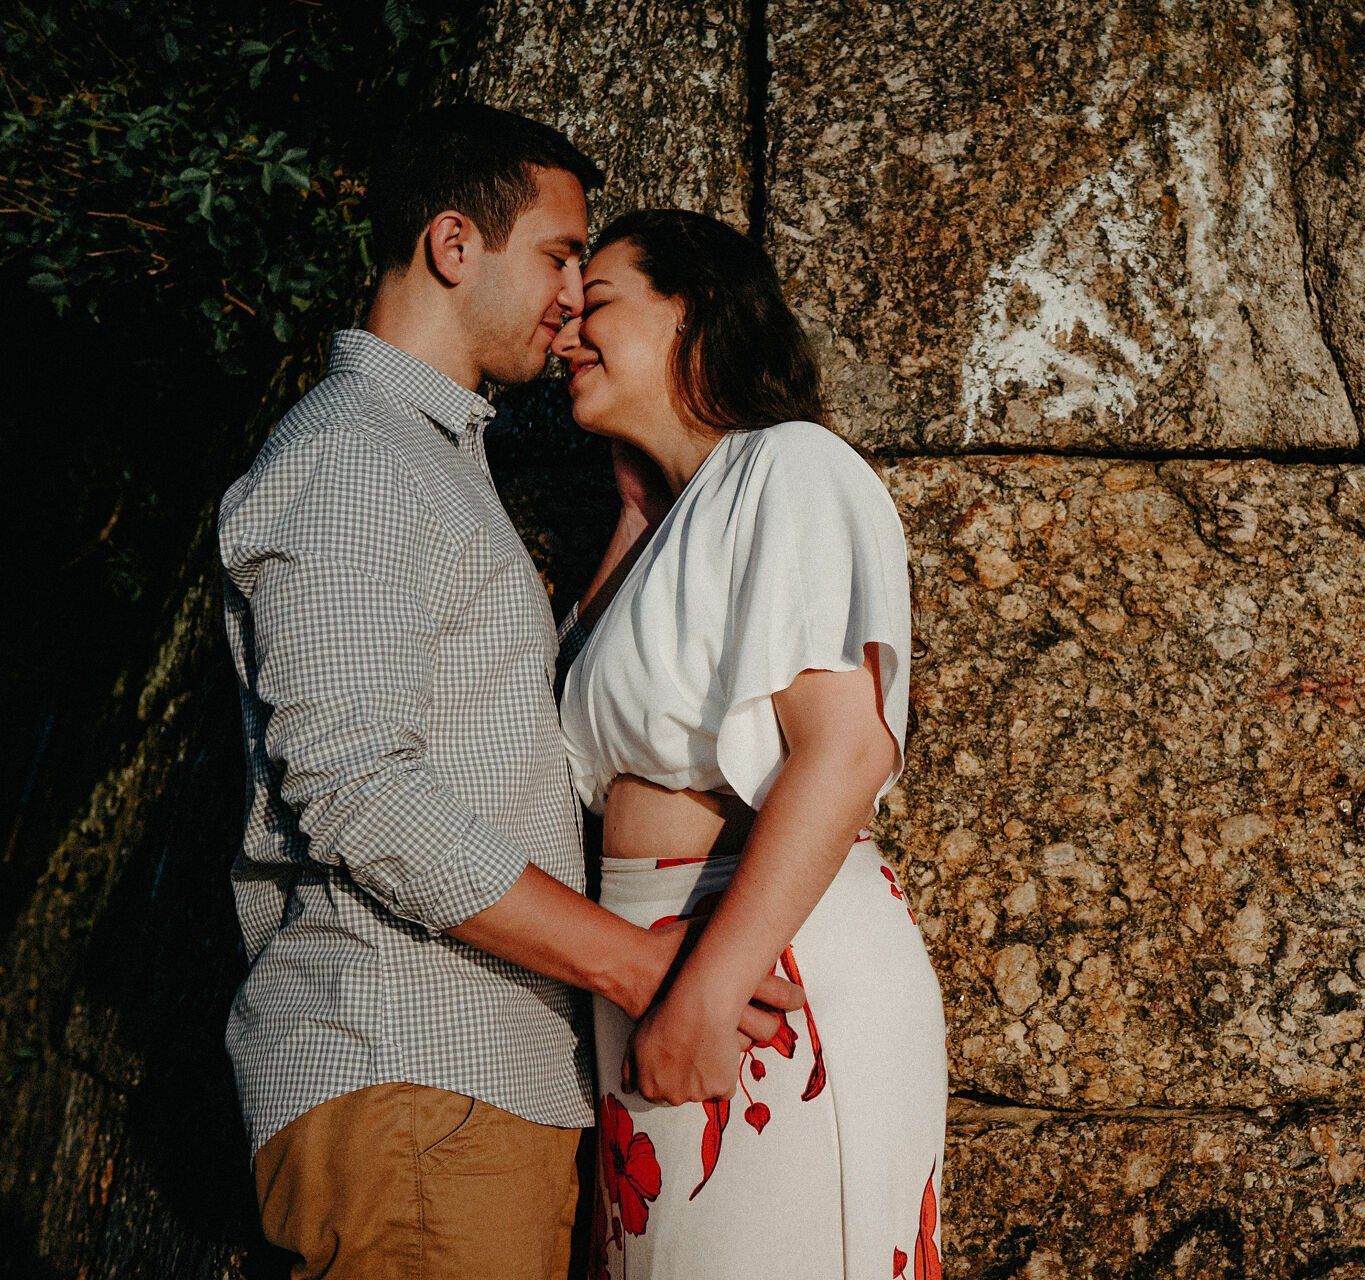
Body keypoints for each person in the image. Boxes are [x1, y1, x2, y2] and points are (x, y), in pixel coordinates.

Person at [217, 107, 801, 1280]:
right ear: (451, 244)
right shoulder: (353, 453)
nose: (576, 293)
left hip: (474, 1086)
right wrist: (637, 967)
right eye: (559, 254)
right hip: (413, 1072)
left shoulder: (431, 456)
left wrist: (639, 520)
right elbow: (359, 791)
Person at [552, 210, 947, 1279]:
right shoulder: (685, 515)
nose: (566, 334)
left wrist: (708, 991)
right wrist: (636, 522)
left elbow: (846, 750)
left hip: (757, 966)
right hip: (657, 971)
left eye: (598, 304)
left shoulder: (794, 467)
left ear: (694, 308)